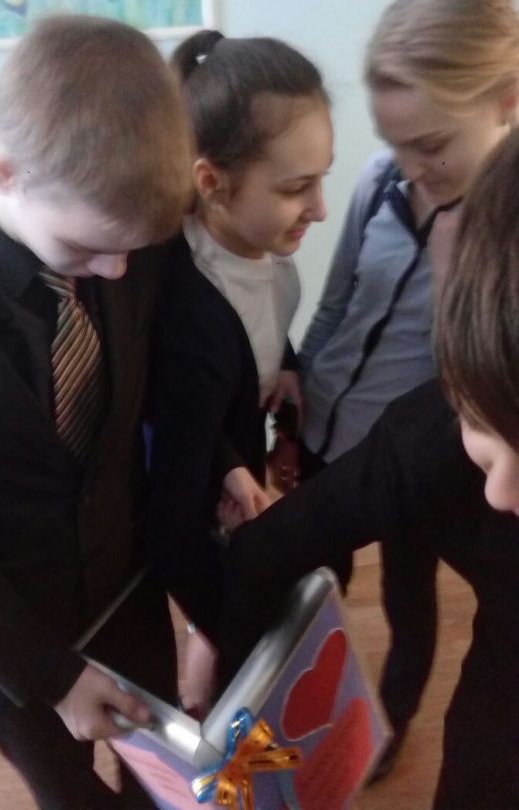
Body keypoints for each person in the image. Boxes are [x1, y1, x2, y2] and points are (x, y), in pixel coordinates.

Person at [0, 15, 192, 809]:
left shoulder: (123, 238)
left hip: (130, 596)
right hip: (10, 637)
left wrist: (224, 463)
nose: (117, 272)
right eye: (87, 250)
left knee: (161, 787)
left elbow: (164, 385)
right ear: (1, 172)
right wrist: (50, 673)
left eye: (131, 251)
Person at [218, 129, 519, 809]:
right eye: (480, 423)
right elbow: (266, 553)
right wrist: (226, 658)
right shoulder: (425, 442)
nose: (500, 491)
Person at [296, 0, 518, 773]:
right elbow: (338, 303)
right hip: (331, 431)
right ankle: (306, 721)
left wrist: (459, 273)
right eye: (394, 143)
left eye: (430, 144)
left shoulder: (500, 235)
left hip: (417, 462)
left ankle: (385, 728)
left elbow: (478, 381)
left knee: (407, 598)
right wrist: (302, 391)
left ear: (506, 101)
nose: (410, 166)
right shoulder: (379, 181)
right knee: (312, 588)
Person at [143, 29, 333, 712]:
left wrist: (286, 365)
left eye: (322, 178)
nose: (321, 209)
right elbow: (171, 524)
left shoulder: (263, 245)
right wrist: (236, 631)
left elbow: (263, 320)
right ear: (211, 182)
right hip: (197, 491)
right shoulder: (189, 314)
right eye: (297, 188)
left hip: (231, 451)